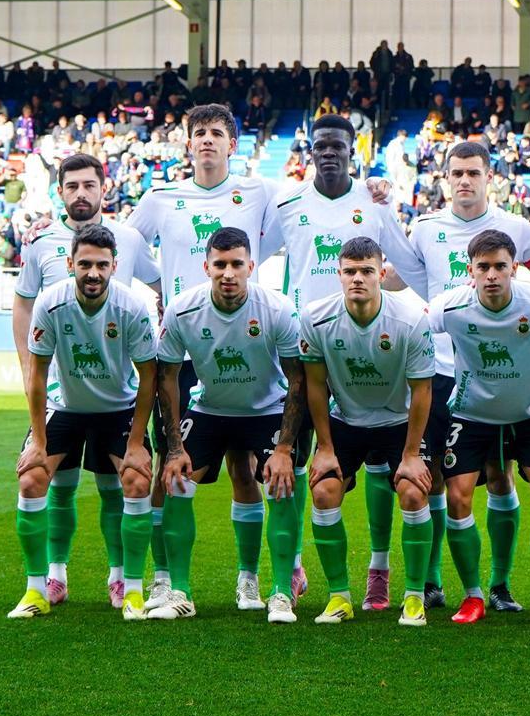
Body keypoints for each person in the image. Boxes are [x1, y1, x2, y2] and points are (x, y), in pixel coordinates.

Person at [265, 114, 426, 611]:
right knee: (296, 460)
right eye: (321, 145)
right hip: (305, 347)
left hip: (369, 344)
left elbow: (411, 266)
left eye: (338, 145)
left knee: (383, 466)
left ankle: (380, 569)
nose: (329, 152)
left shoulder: (373, 203)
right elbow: (244, 249)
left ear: (352, 151)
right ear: (309, 150)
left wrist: (424, 314)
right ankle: (288, 568)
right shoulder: (287, 202)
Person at [400, 140, 530, 612]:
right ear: (445, 178)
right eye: (456, 173)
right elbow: (400, 279)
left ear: (490, 177)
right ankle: (433, 581)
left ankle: (501, 585)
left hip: (505, 376)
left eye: (473, 172)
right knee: (444, 481)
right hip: (444, 372)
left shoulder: (518, 229)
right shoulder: (424, 228)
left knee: (501, 476)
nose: (464, 180)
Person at [12, 153, 161, 609]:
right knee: (36, 478)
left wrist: (139, 440)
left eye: (88, 184)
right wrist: (37, 438)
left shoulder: (131, 249)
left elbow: (150, 370)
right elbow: (36, 365)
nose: (92, 272)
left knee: (130, 482)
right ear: (71, 262)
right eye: (84, 265)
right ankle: (44, 583)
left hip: (117, 405)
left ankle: (126, 583)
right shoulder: (45, 262)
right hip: (65, 403)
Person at [154, 228, 309, 622]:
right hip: (211, 408)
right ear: (206, 266)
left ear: (251, 267)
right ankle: (180, 592)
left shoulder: (277, 309)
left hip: (267, 409)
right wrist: (174, 447)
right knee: (175, 479)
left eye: (237, 264)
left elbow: (297, 379)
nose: (228, 273)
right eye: (220, 264)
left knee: (280, 482)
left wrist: (285, 449)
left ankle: (276, 591)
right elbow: (167, 377)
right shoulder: (183, 310)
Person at [426, 229, 530, 627]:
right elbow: (412, 327)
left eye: (500, 266)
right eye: (483, 267)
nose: (492, 275)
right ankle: (473, 595)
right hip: (471, 414)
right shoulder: (451, 307)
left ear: (515, 268)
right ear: (470, 270)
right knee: (457, 496)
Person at [299, 236, 436, 626]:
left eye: (366, 271)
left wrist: (411, 454)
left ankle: (413, 597)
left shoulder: (410, 319)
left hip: (398, 424)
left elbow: (422, 389)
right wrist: (324, 448)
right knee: (324, 489)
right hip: (346, 422)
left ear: (382, 273)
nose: (358, 278)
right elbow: (315, 385)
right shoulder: (316, 317)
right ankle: (339, 596)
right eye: (350, 272)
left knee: (413, 491)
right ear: (338, 274)